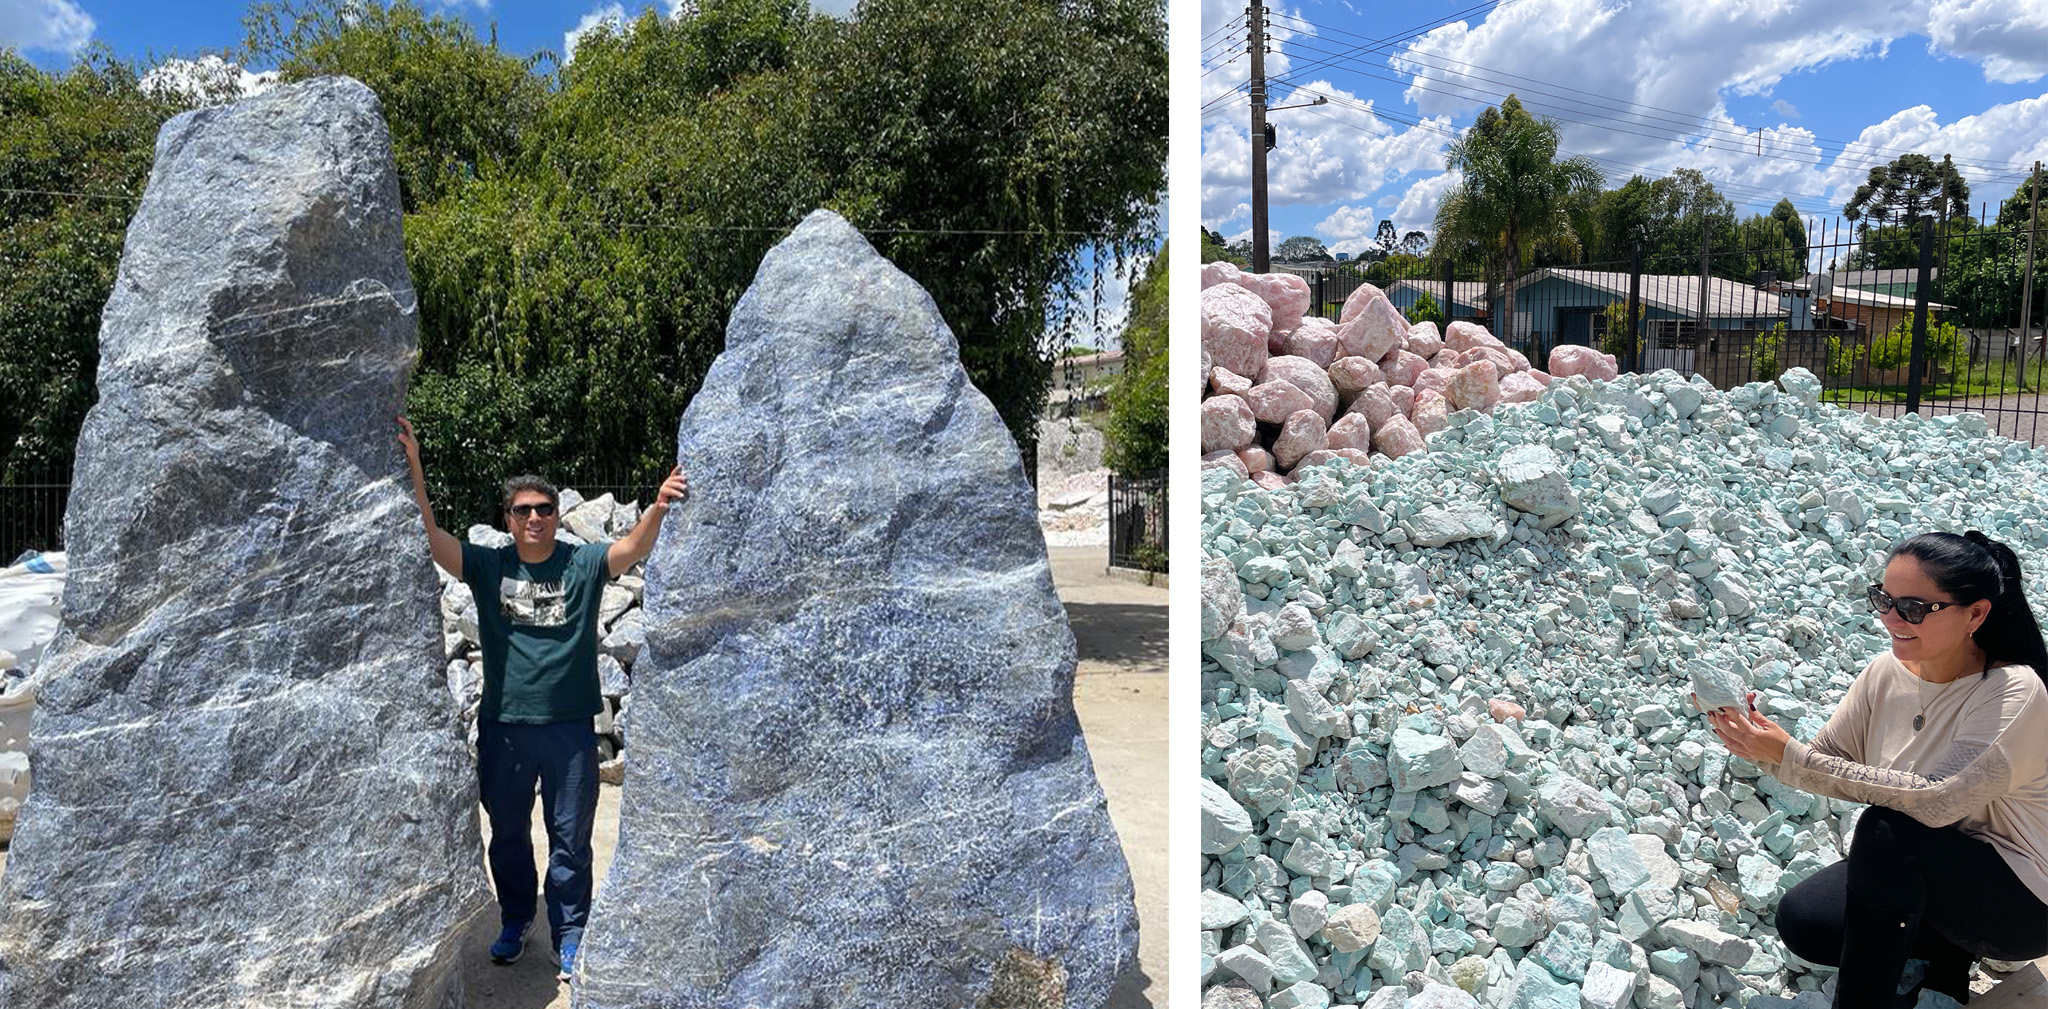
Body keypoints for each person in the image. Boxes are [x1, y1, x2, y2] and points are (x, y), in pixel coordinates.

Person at [396, 417, 688, 983]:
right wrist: (415, 466)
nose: (535, 518)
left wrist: (657, 507)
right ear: (508, 520)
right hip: (505, 728)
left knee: (571, 837)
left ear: (556, 516)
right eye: (523, 511)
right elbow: (429, 536)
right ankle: (515, 920)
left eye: (544, 509)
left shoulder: (580, 565)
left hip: (569, 729)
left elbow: (629, 549)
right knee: (506, 833)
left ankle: (570, 932)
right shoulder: (488, 566)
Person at [1701, 530, 2048, 1007]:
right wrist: (1760, 739)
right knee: (1805, 921)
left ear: (1976, 613)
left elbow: (1942, 798)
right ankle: (1941, 963)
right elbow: (1828, 760)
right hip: (1941, 873)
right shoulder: (1886, 672)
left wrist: (1792, 759)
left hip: (2025, 902)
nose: (1890, 618)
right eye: (1883, 599)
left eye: (1914, 608)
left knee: (1890, 831)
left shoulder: (2013, 690)